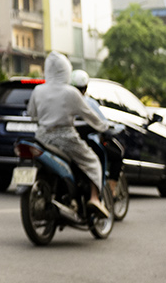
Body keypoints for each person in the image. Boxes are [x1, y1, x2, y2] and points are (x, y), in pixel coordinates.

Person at [27, 53, 110, 216]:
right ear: (66, 70)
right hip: (65, 138)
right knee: (93, 161)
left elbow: (32, 114)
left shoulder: (38, 90)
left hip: (42, 138)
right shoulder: (70, 92)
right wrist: (104, 126)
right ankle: (94, 198)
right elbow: (90, 115)